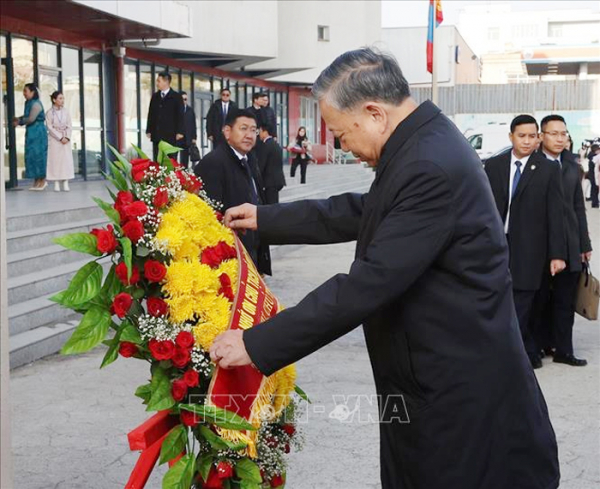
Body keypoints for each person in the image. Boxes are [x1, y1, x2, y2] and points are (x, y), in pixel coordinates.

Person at [210, 48, 559, 489]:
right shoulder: (421, 143)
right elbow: (365, 209)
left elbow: (369, 283)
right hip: (433, 377)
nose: (342, 144)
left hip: (457, 393)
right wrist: (265, 218)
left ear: (373, 113)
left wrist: (257, 343)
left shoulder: (428, 163)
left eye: (341, 132)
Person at [484, 114, 566, 369]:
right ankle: (523, 350)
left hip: (530, 248)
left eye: (533, 136)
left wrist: (557, 254)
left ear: (538, 137)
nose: (528, 141)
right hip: (496, 244)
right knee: (497, 297)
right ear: (511, 137)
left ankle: (513, 356)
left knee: (523, 301)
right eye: (522, 136)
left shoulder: (548, 169)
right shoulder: (494, 166)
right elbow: (483, 207)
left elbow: (556, 214)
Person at [536, 114, 592, 366]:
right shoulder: (532, 164)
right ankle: (538, 345)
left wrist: (584, 244)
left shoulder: (571, 165)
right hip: (540, 244)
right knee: (539, 299)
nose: (560, 138)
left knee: (565, 300)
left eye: (564, 134)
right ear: (541, 135)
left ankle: (564, 350)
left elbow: (578, 207)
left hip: (570, 243)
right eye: (554, 133)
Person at [194, 109, 271, 275]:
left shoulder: (249, 158)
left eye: (253, 130)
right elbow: (211, 216)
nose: (249, 135)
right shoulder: (213, 163)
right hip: (232, 256)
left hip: (252, 249)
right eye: (243, 128)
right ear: (227, 132)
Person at [13, 83, 48, 190]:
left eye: (25, 91)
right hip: (31, 132)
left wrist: (19, 121)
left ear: (33, 92)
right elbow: (26, 116)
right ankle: (36, 181)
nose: (24, 93)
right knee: (31, 156)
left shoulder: (36, 104)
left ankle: (42, 181)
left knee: (39, 156)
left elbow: (31, 118)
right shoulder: (28, 103)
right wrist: (18, 119)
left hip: (38, 133)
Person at [145, 71, 184, 161]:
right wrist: (149, 129)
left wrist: (180, 132)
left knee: (170, 160)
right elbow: (151, 114)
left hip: (171, 135)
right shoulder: (155, 96)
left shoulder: (176, 97)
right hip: (157, 134)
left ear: (166, 82)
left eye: (159, 81)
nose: (157, 83)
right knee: (157, 159)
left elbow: (180, 115)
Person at [45, 90, 74, 192]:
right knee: (55, 161)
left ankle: (65, 181)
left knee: (65, 161)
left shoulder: (66, 112)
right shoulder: (49, 113)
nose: (62, 100)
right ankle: (56, 182)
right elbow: (50, 127)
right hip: (55, 140)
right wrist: (60, 137)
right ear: (54, 100)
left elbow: (69, 125)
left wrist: (67, 137)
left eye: (63, 98)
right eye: (60, 98)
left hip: (65, 139)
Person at [256, 123, 286, 204]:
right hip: (277, 180)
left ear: (265, 132)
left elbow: (261, 165)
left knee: (271, 207)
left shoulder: (266, 145)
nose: (259, 134)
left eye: (260, 131)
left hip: (270, 182)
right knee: (274, 204)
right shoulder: (276, 144)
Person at [179, 91, 197, 169]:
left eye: (185, 99)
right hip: (177, 137)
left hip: (187, 138)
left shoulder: (190, 110)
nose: (184, 101)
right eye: (182, 99)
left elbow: (193, 124)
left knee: (185, 158)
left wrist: (194, 137)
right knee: (174, 157)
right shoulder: (174, 109)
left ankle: (184, 173)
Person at [587, 143, 599, 208]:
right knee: (595, 188)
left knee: (593, 188)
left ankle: (594, 202)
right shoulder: (595, 157)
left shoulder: (591, 156)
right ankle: (595, 203)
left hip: (592, 174)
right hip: (594, 174)